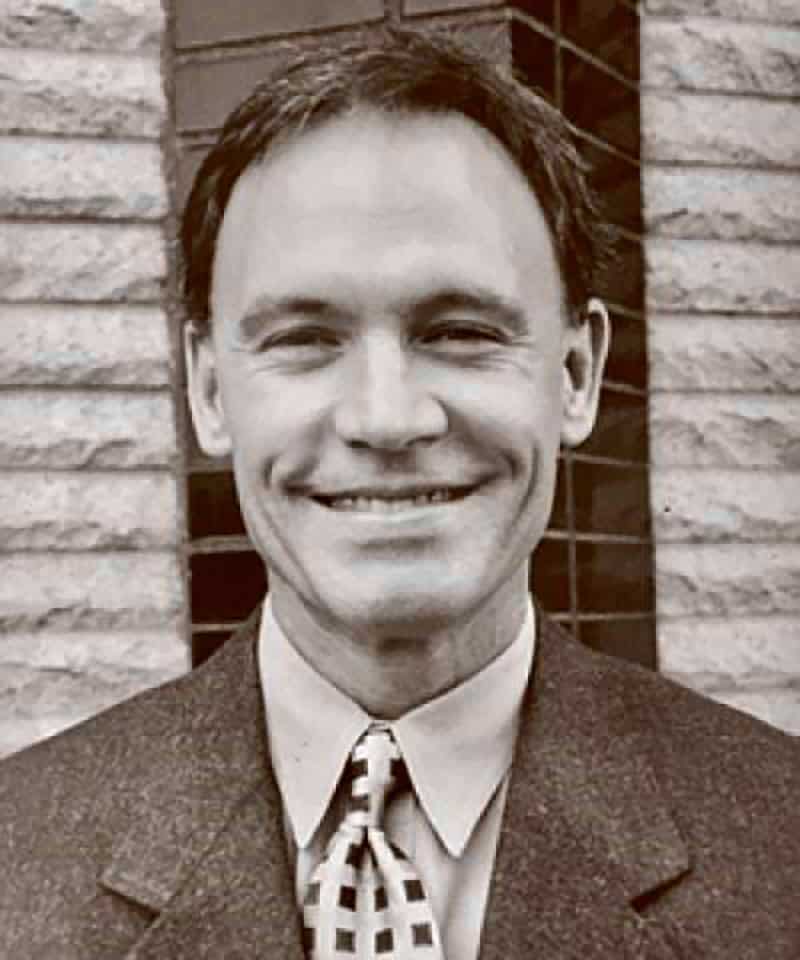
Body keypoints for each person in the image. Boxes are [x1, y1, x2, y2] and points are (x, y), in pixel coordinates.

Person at [1, 27, 798, 960]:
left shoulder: (779, 843)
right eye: (304, 339)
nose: (385, 418)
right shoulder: (20, 858)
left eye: (460, 331)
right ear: (210, 392)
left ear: (576, 375)